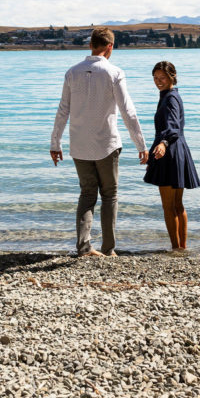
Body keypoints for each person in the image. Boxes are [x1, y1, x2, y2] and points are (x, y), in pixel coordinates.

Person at [50, 28, 148, 257]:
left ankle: (84, 247)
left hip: (79, 145)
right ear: (110, 47)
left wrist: (56, 143)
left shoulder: (72, 73)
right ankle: (109, 249)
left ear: (91, 45)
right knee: (110, 195)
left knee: (87, 195)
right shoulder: (114, 72)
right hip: (107, 144)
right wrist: (141, 145)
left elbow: (63, 110)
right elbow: (128, 112)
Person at [143, 61, 200, 251]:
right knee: (177, 204)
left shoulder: (170, 98)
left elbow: (173, 127)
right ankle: (181, 248)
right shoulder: (171, 95)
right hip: (177, 150)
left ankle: (177, 248)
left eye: (163, 78)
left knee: (169, 206)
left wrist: (163, 143)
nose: (158, 82)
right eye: (156, 78)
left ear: (172, 77)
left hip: (170, 151)